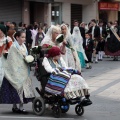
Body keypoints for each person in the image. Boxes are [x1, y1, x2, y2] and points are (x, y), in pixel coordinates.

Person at [0, 31, 35, 114]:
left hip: (23, 71)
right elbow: (13, 60)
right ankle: (15, 107)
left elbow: (24, 57)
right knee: (16, 89)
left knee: (22, 89)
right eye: (22, 37)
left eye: (24, 37)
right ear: (17, 38)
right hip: (15, 71)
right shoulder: (14, 47)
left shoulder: (24, 46)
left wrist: (28, 60)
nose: (24, 39)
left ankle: (20, 107)